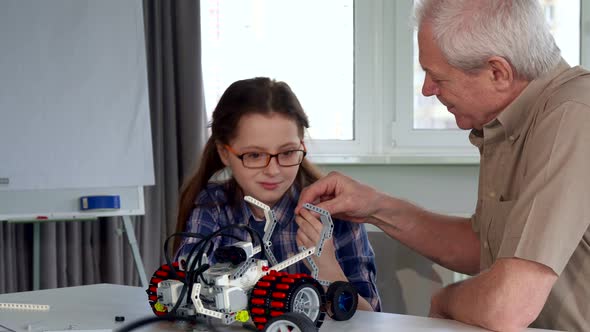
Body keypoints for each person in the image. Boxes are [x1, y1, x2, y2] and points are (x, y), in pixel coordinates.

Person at [296, 0, 590, 331]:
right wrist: (375, 207)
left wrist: (446, 301)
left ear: (497, 72)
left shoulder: (575, 116)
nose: (426, 90)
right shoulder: (510, 122)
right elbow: (482, 247)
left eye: (437, 77)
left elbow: (509, 305)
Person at [174, 77, 381, 312]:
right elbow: (186, 295)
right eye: (254, 155)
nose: (273, 170)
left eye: (287, 153)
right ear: (224, 152)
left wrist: (327, 268)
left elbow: (372, 318)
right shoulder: (213, 205)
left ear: (301, 146)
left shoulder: (335, 211)